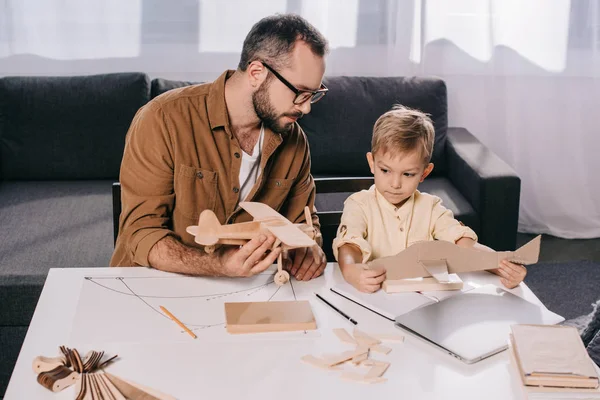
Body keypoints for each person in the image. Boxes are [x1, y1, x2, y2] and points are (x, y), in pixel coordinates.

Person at [110, 14, 329, 282]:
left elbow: (303, 223)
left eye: (314, 95)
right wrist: (217, 264)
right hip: (153, 286)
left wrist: (311, 248)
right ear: (257, 73)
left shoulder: (293, 140)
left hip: (248, 289)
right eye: (300, 92)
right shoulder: (162, 119)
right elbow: (141, 233)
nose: (306, 107)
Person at [333, 105, 527, 293]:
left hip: (425, 301)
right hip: (374, 296)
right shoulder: (359, 204)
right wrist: (351, 271)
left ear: (424, 173)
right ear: (372, 163)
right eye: (385, 170)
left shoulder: (431, 207)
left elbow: (462, 243)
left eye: (408, 174)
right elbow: (350, 244)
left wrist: (500, 263)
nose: (395, 183)